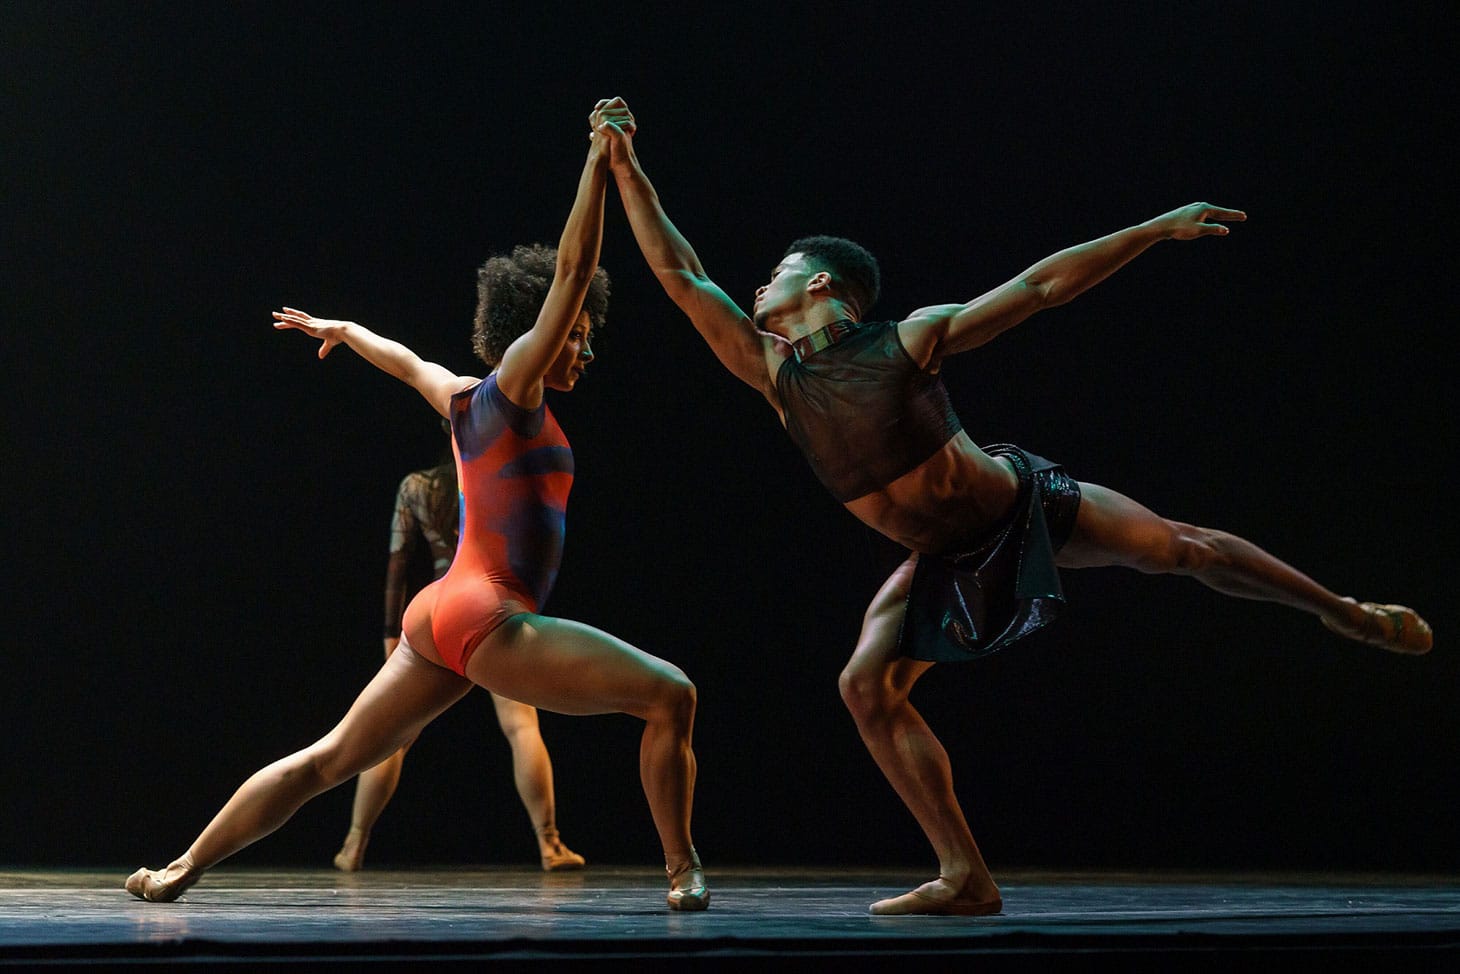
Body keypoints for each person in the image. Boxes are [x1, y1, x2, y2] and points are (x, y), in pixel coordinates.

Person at [597, 100, 1431, 916]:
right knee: (865, 688)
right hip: (943, 561)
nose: (756, 284)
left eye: (775, 271)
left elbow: (1038, 288)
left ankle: (1343, 612)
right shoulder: (776, 377)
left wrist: (1148, 230)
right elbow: (680, 273)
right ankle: (966, 875)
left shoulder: (908, 339)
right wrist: (629, 167)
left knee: (1185, 549)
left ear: (818, 283)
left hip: (1021, 507)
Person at [125, 102, 709, 911]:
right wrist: (598, 163)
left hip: (437, 616)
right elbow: (573, 274)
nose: (585, 343)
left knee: (330, 759)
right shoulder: (514, 385)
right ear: (535, 329)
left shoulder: (461, 396)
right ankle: (682, 873)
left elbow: (405, 362)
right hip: (486, 611)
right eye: (579, 333)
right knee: (670, 694)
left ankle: (180, 867)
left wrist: (343, 328)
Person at [332, 439, 585, 873]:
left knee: (394, 735)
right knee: (521, 726)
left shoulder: (417, 487)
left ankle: (354, 844)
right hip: (490, 610)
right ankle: (550, 844)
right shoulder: (494, 481)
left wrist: (391, 635)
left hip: (439, 612)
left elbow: (397, 564)